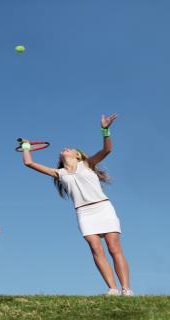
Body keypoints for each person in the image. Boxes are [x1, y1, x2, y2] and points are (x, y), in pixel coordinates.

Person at [20, 114, 132, 296]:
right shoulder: (59, 173)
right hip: (84, 213)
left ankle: (126, 289)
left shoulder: (87, 164)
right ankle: (112, 288)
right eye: (64, 149)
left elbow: (107, 149)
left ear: (77, 155)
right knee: (96, 249)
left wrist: (105, 130)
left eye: (70, 148)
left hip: (103, 207)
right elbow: (28, 162)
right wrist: (26, 146)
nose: (65, 148)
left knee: (114, 247)